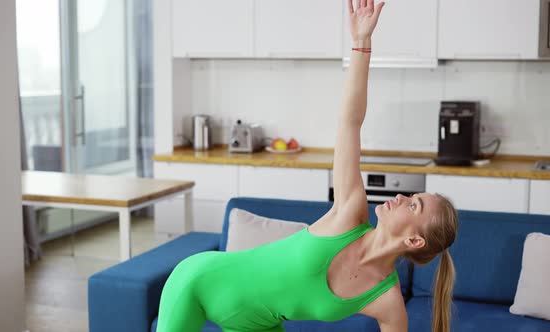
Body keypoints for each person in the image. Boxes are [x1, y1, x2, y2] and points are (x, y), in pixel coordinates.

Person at [157, 1, 458, 331]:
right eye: (411, 197)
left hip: (258, 324)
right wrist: (361, 43)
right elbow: (350, 123)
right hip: (198, 284)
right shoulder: (349, 213)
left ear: (415, 241)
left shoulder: (386, 301)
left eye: (414, 205)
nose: (402, 198)